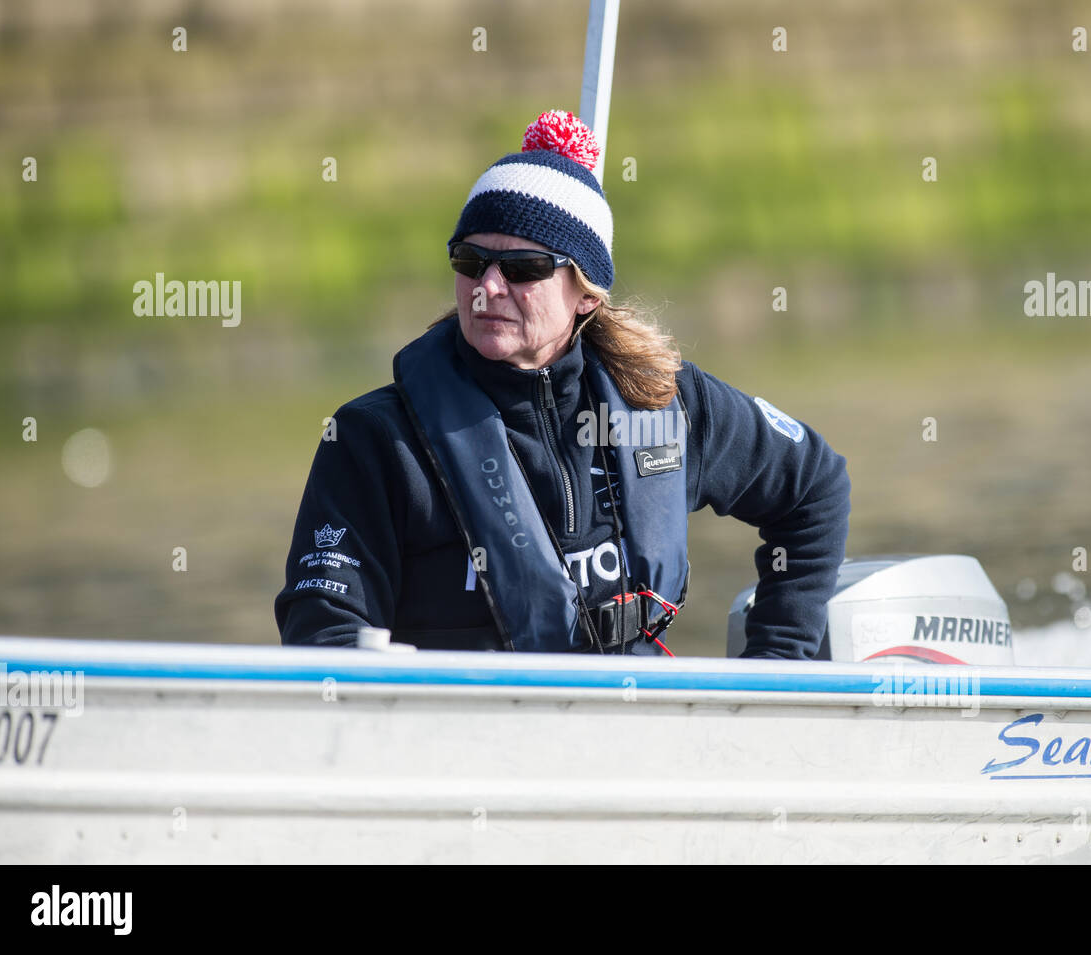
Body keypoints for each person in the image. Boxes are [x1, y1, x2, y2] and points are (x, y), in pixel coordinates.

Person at [274, 110, 850, 657]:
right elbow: (324, 630)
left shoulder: (666, 405)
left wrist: (777, 660)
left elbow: (814, 489)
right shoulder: (373, 442)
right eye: (470, 261)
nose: (489, 287)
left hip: (636, 733)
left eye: (523, 269)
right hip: (464, 742)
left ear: (586, 294)